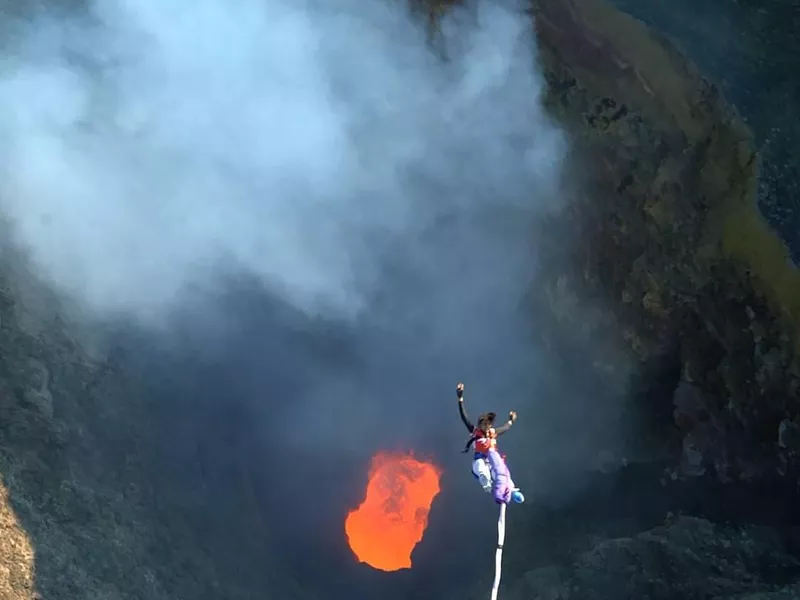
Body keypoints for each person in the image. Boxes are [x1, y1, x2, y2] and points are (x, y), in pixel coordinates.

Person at [456, 382, 524, 503]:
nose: (486, 427)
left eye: (488, 425)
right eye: (484, 425)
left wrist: (510, 421)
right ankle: (485, 481)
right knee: (481, 469)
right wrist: (460, 398)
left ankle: (512, 491)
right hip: (480, 460)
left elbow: (505, 428)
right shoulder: (474, 431)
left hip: (493, 461)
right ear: (480, 425)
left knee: (501, 472)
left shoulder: (493, 432)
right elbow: (463, 417)